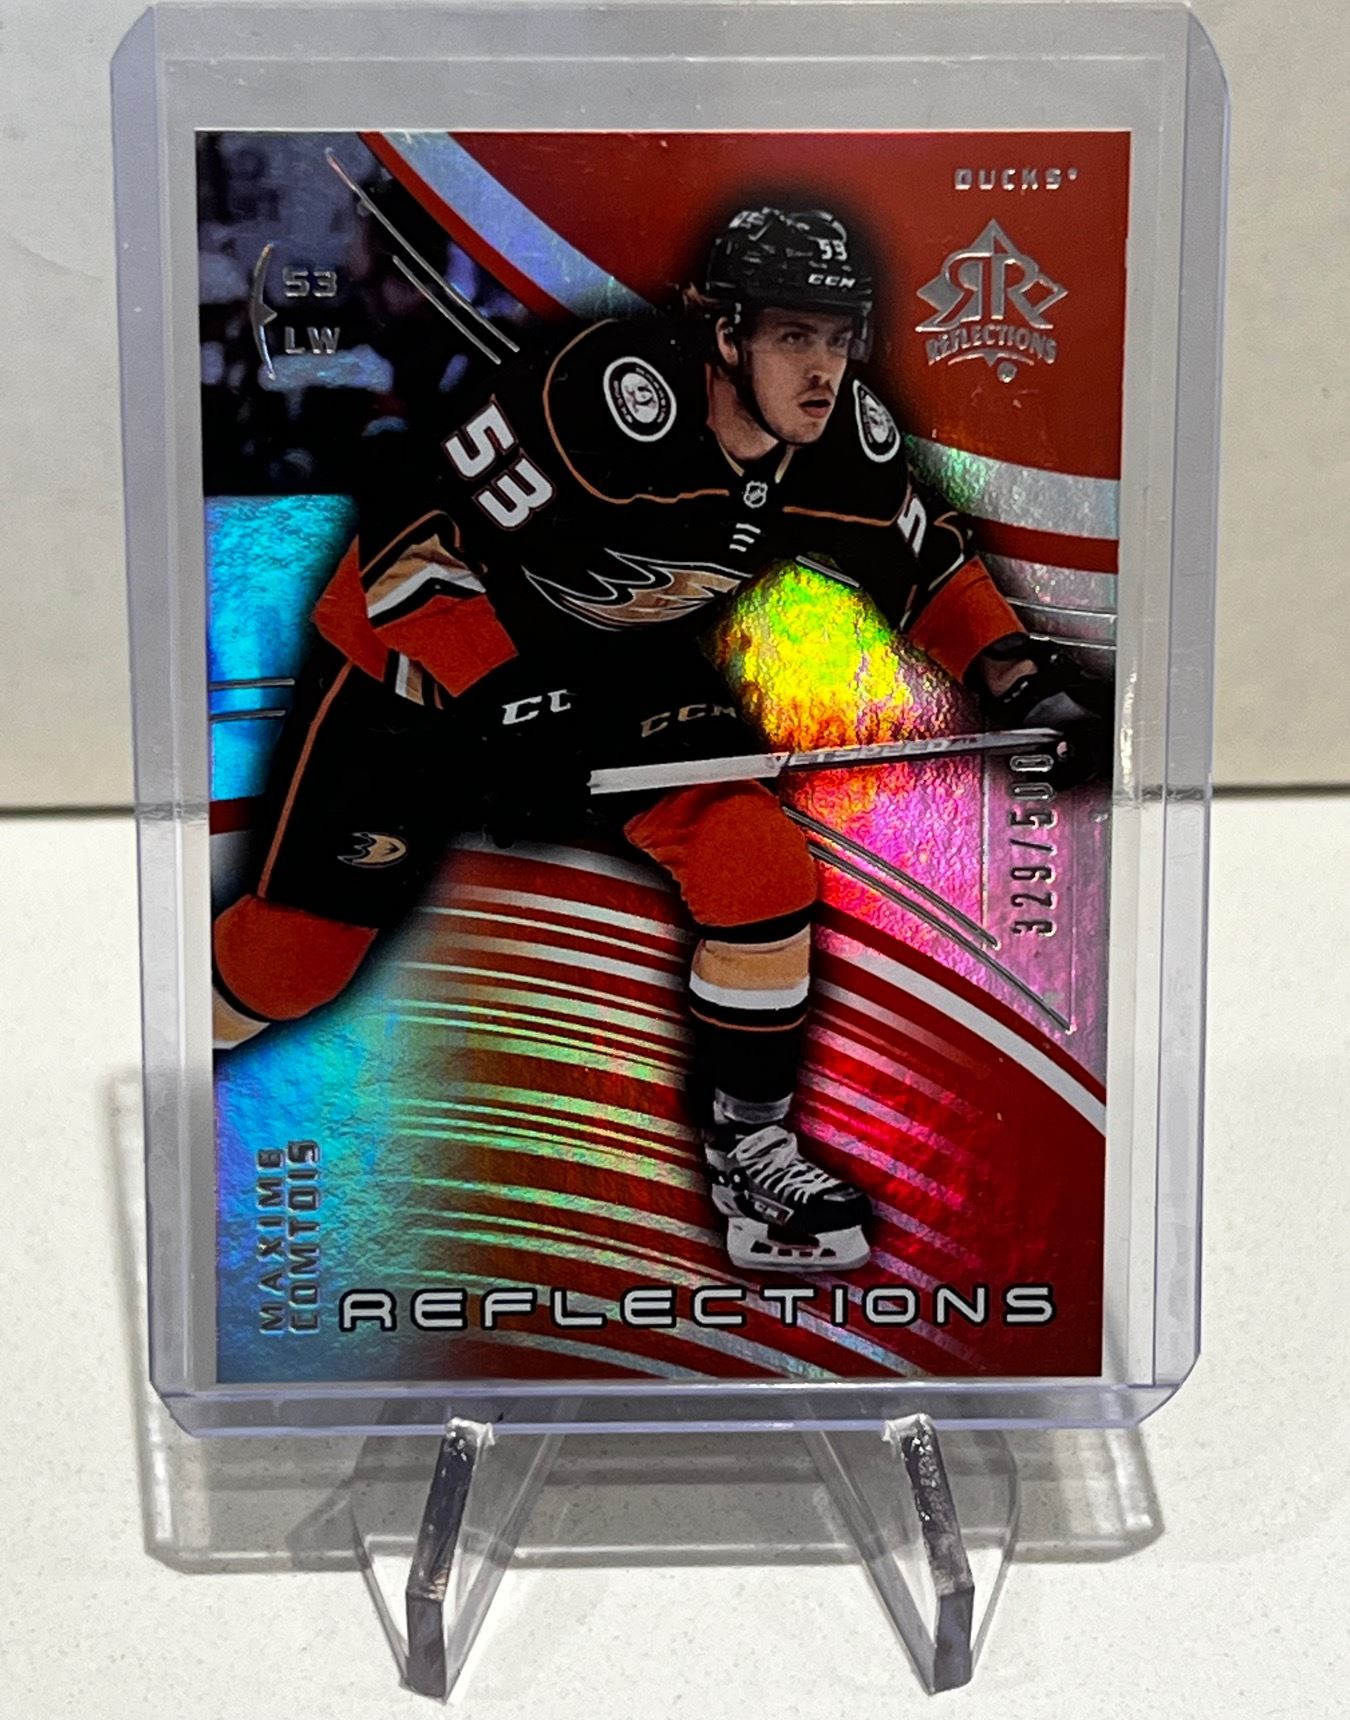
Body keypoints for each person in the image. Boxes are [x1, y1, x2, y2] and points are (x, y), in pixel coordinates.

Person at [212, 206, 1109, 1274]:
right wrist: (504, 699)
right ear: (725, 333)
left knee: (754, 860)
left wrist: (1022, 687)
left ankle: (751, 1151)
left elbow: (929, 567)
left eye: (838, 338)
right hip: (414, 670)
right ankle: (174, 1040)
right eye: (793, 335)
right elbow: (415, 535)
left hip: (614, 667)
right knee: (291, 967)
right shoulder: (605, 396)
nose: (822, 369)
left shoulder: (840, 441)